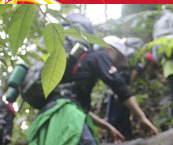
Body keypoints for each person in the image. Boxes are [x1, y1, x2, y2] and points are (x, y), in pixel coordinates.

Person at [25, 14, 158, 145]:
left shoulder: (78, 68)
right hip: (67, 118)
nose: (117, 64)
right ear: (108, 49)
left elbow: (79, 106)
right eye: (118, 58)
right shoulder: (98, 56)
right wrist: (141, 117)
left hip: (48, 119)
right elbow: (119, 86)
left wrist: (107, 127)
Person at [105, 37, 161, 141]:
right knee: (119, 110)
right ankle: (114, 136)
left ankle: (120, 135)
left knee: (119, 110)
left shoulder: (145, 58)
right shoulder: (145, 59)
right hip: (120, 84)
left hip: (117, 80)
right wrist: (130, 86)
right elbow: (135, 72)